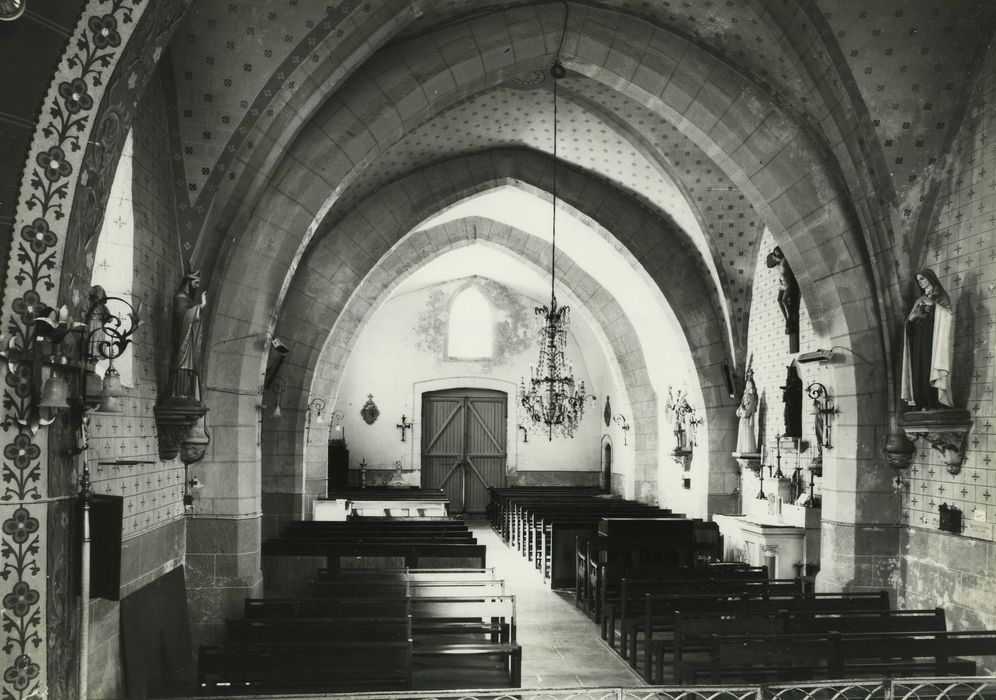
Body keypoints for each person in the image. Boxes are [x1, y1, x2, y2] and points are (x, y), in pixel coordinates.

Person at [901, 268, 953, 410]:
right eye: (918, 280)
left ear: (930, 278)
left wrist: (934, 306)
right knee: (919, 368)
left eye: (922, 279)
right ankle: (921, 403)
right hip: (919, 340)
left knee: (929, 366)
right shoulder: (920, 300)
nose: (920, 282)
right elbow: (911, 324)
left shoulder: (941, 296)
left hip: (933, 341)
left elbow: (948, 316)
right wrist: (910, 321)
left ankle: (934, 403)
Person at [171, 270, 206, 400]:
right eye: (196, 283)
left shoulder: (187, 298)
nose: (197, 286)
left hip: (189, 339)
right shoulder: (180, 297)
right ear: (188, 282)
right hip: (183, 339)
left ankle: (188, 394)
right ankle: (180, 394)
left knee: (190, 365)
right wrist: (200, 307)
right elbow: (182, 316)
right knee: (183, 364)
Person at [735, 370, 758, 454]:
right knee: (742, 437)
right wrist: (741, 410)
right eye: (744, 398)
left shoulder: (751, 400)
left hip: (747, 422)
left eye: (746, 398)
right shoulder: (744, 402)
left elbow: (746, 413)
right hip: (742, 422)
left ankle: (747, 450)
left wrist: (742, 411)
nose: (745, 399)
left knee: (747, 437)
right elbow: (737, 413)